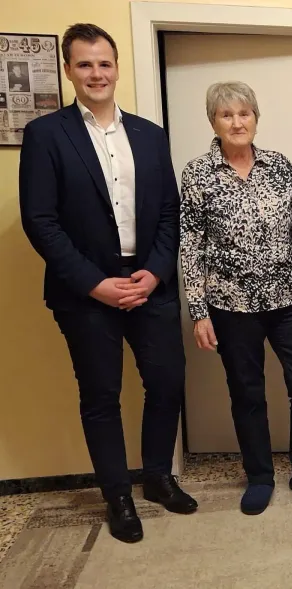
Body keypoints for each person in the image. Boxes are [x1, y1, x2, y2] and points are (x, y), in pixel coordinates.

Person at [19, 23, 197, 544]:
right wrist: (96, 284)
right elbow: (40, 221)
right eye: (84, 64)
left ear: (116, 68)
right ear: (70, 72)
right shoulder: (47, 134)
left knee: (166, 384)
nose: (96, 73)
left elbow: (169, 211)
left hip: (150, 284)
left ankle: (158, 477)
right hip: (86, 293)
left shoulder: (148, 134)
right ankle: (117, 495)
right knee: (102, 395)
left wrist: (157, 271)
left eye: (104, 63)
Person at [179, 81, 292, 516]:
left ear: (256, 118)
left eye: (244, 113)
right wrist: (198, 311)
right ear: (213, 121)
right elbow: (190, 245)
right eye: (226, 115)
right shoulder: (197, 174)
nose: (237, 122)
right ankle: (260, 476)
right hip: (231, 305)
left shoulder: (280, 166)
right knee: (247, 392)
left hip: (290, 299)